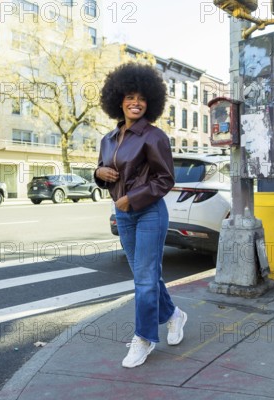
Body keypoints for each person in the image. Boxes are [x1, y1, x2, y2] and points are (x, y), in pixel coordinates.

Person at [94, 63, 187, 368]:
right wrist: (98, 173)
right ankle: (174, 314)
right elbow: (104, 171)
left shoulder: (153, 136)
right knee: (145, 277)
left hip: (148, 213)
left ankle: (144, 338)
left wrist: (131, 199)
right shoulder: (108, 139)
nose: (136, 102)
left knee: (145, 279)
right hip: (123, 215)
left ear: (150, 103)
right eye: (130, 97)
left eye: (142, 98)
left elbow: (165, 179)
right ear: (118, 100)